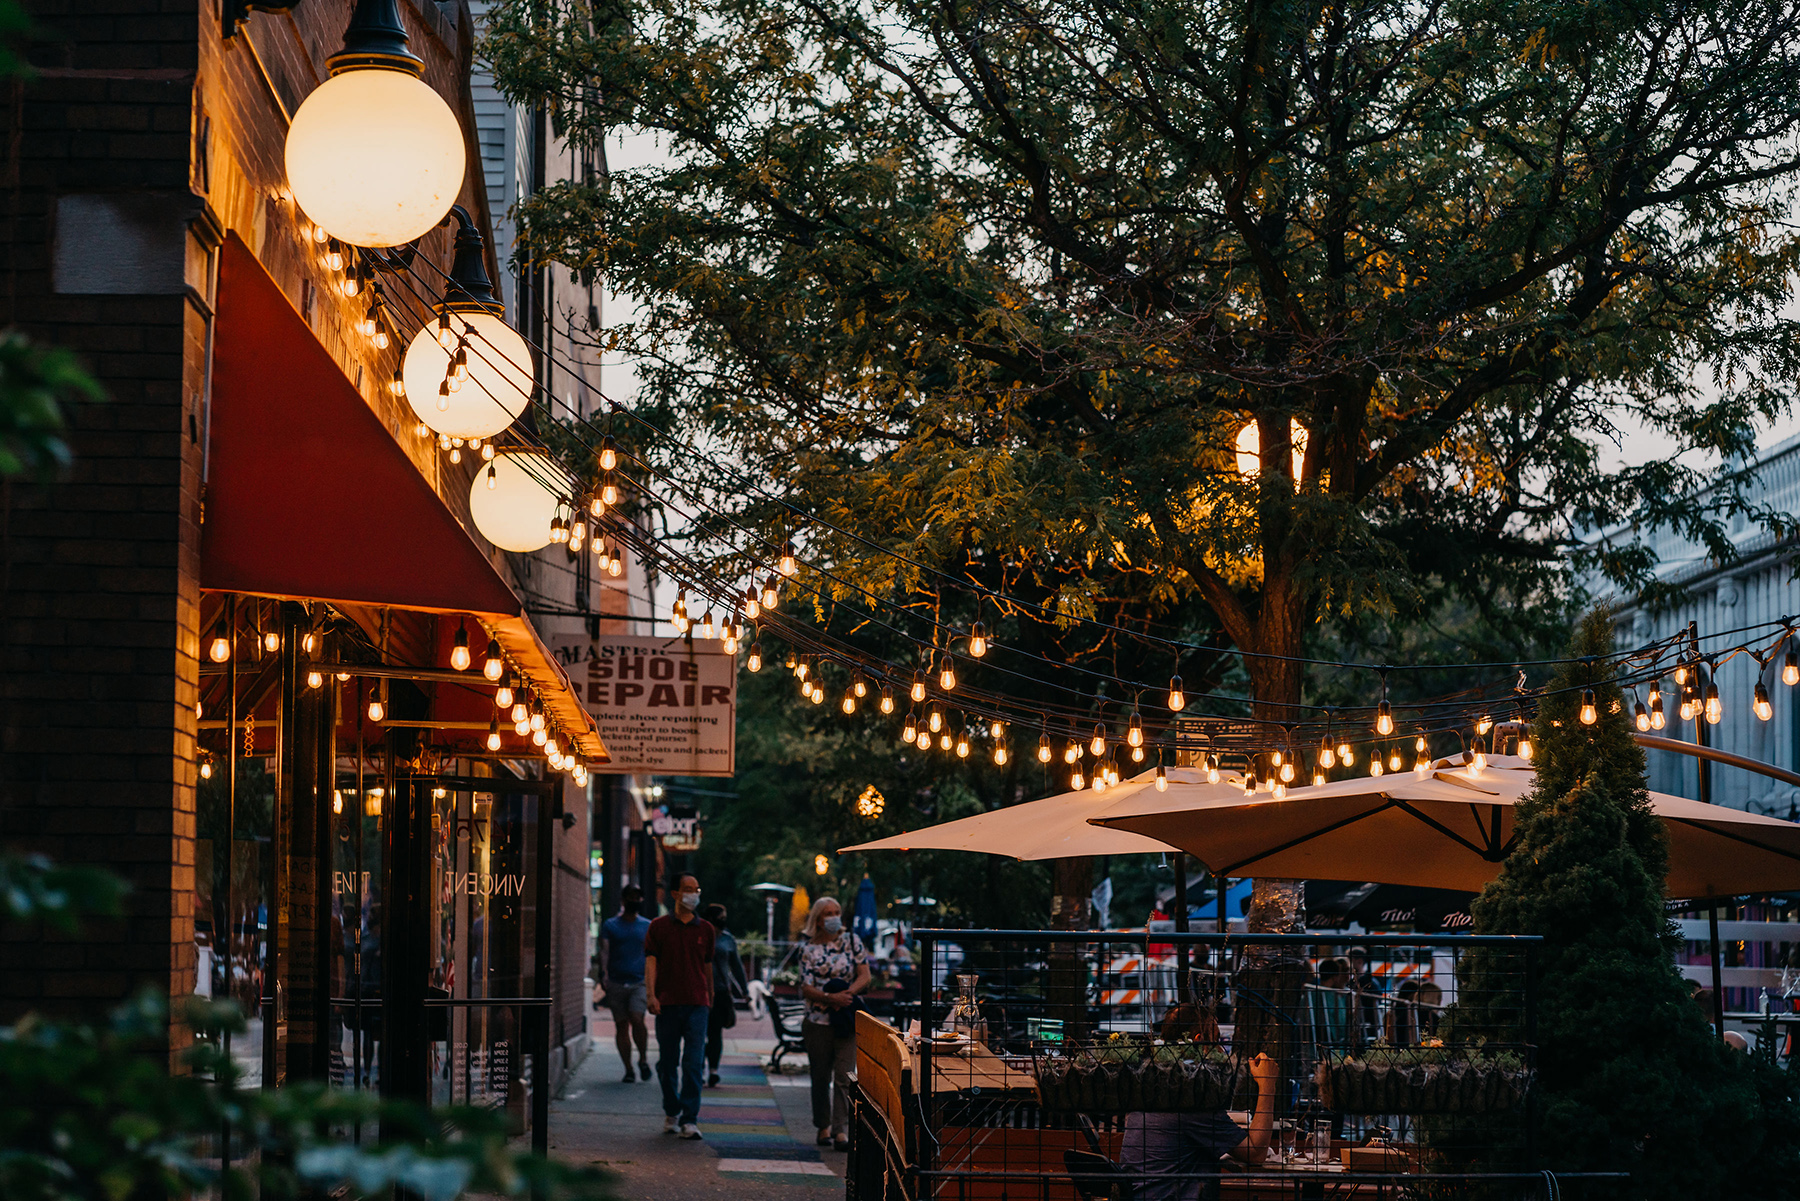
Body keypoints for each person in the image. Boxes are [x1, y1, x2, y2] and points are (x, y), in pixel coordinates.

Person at [1120, 1052, 1281, 1199]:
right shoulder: (1192, 1105)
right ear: (1200, 1042)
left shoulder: (1149, 1096)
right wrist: (1267, 1085)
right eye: (1216, 1039)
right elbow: (1255, 1152)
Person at [645, 873, 715, 1139]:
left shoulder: (705, 929)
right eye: (687, 889)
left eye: (696, 889)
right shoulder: (658, 927)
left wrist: (709, 998)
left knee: (693, 1063)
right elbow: (651, 962)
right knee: (667, 1062)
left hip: (697, 1004)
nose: (693, 894)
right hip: (668, 1003)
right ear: (674, 894)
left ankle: (690, 1117)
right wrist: (651, 995)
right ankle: (671, 1110)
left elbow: (707, 967)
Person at [798, 895, 870, 1151]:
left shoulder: (852, 941)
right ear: (818, 919)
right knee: (820, 1076)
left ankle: (841, 1130)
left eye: (837, 911)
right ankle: (823, 1126)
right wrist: (830, 998)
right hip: (818, 1022)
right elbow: (805, 987)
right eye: (828, 913)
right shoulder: (808, 949)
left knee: (845, 1077)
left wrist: (846, 995)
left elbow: (865, 974)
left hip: (846, 1019)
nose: (833, 917)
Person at [596, 885, 652, 1083]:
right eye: (630, 897)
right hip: (617, 981)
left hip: (639, 982)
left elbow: (652, 955)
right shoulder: (611, 925)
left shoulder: (647, 926)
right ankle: (628, 1068)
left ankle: (643, 1059)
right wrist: (603, 974)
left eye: (637, 897)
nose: (634, 901)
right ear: (623, 900)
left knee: (637, 1019)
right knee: (621, 1025)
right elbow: (604, 950)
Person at [700, 902, 749, 1087]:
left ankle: (713, 1070)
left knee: (715, 1033)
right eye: (720, 918)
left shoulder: (728, 939)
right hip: (700, 991)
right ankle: (700, 1069)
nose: (723, 921)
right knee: (698, 1032)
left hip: (720, 992)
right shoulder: (700, 936)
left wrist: (744, 990)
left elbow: (736, 966)